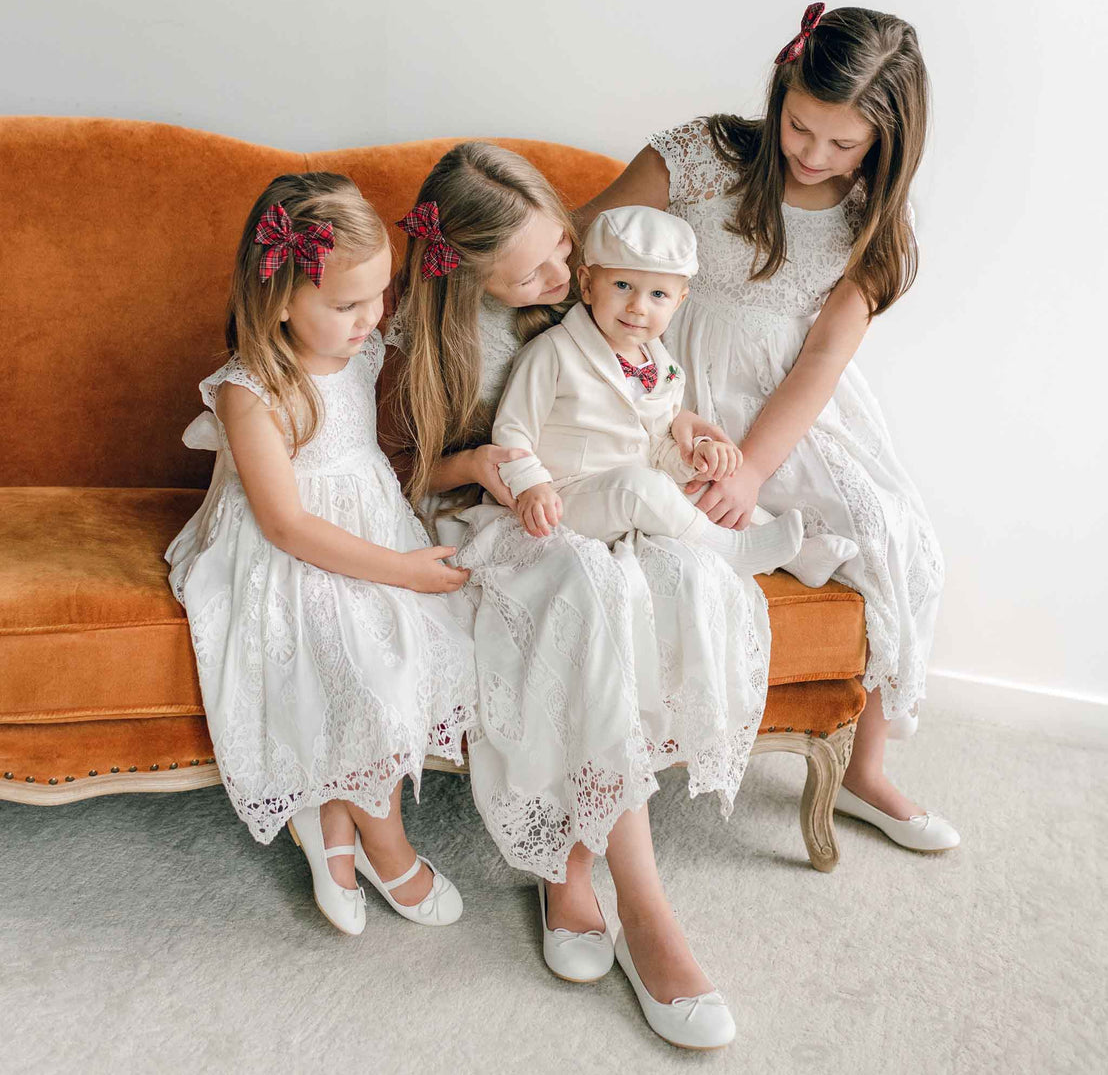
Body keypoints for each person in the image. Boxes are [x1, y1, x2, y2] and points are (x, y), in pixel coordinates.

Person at [382, 143, 757, 1048]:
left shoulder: (592, 309)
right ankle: (645, 907)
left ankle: (574, 858)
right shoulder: (422, 341)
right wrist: (483, 465)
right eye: (538, 268)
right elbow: (397, 476)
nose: (566, 272)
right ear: (470, 271)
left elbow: (651, 413)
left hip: (592, 505)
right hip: (492, 523)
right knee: (586, 586)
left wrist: (687, 433)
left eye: (564, 247)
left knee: (683, 575)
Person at [576, 3, 958, 850]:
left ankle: (865, 771)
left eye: (842, 144)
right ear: (781, 90)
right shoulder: (702, 155)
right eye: (799, 127)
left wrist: (751, 467)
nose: (814, 155)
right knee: (668, 542)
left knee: (900, 537)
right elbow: (583, 246)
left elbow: (822, 360)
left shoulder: (875, 227)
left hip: (788, 405)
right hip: (668, 382)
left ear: (885, 146)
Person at [166, 172, 476, 936]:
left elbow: (441, 305)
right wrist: (402, 568)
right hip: (285, 546)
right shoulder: (252, 388)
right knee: (357, 659)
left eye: (380, 297)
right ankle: (383, 840)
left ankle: (328, 817)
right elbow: (286, 525)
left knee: (417, 647)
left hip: (369, 522)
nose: (370, 319)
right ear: (277, 299)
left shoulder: (362, 349)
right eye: (347, 305)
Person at [495, 203, 858, 589]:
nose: (638, 306)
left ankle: (799, 555)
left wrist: (693, 458)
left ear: (679, 301)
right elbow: (512, 433)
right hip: (562, 499)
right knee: (642, 487)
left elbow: (657, 441)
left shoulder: (663, 365)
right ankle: (731, 550)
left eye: (657, 295)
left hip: (637, 490)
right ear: (586, 284)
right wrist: (531, 485)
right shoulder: (553, 352)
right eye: (622, 286)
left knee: (702, 486)